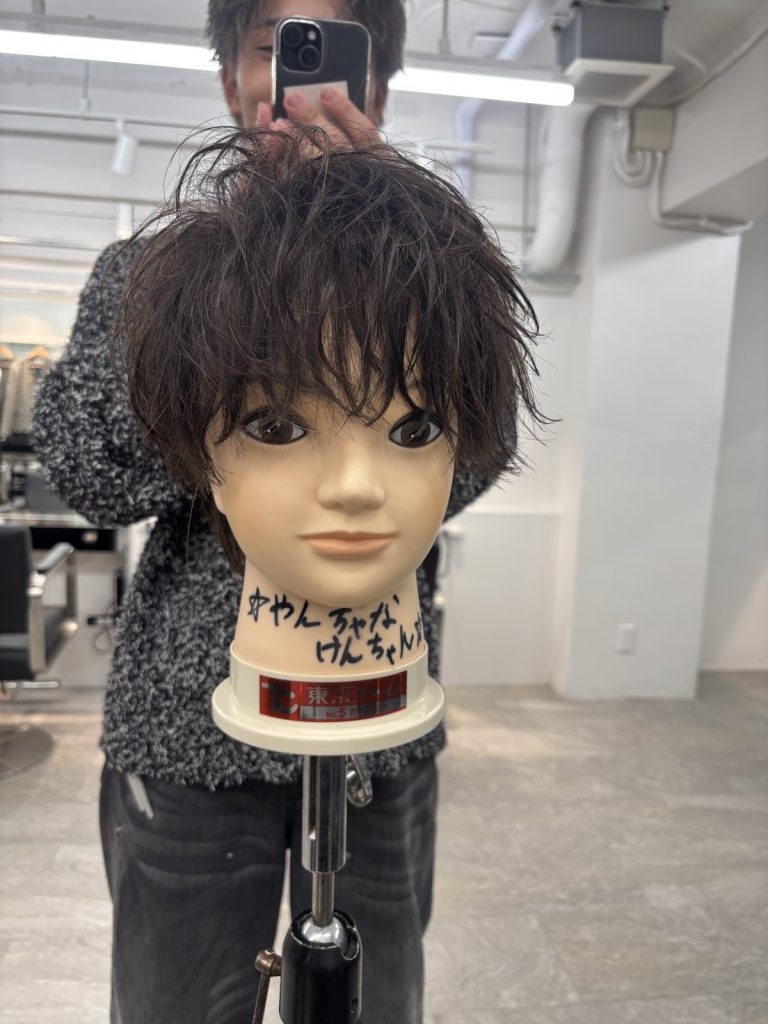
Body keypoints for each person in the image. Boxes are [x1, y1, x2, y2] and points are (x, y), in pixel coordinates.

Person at [32, 6, 546, 1024]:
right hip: (186, 723)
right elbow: (89, 470)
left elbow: (477, 454)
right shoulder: (146, 274)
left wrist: (397, 256)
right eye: (274, 47)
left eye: (336, 54)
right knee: (176, 998)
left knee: (374, 995)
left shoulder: (425, 271)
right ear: (233, 77)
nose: (296, 80)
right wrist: (207, 345)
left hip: (376, 715)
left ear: (378, 87)